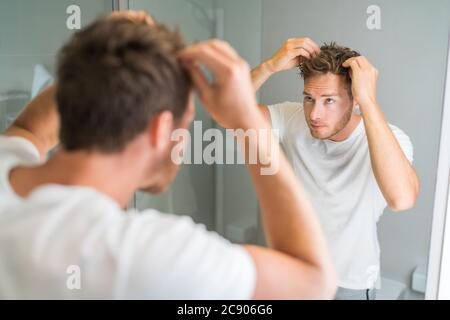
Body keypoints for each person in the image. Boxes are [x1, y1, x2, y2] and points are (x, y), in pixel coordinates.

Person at [0, 11, 336, 299]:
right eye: (185, 122)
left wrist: (103, 54)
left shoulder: (6, 162)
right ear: (162, 130)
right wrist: (245, 119)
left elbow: (29, 129)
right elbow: (313, 281)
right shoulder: (143, 255)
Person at [250, 38, 419, 299]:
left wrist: (369, 101)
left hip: (349, 282)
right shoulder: (292, 118)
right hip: (296, 271)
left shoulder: (390, 138)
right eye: (309, 98)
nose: (315, 114)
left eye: (329, 100)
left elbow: (402, 199)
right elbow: (229, 114)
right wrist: (269, 67)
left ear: (355, 101)